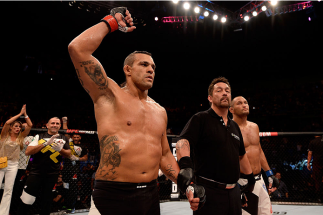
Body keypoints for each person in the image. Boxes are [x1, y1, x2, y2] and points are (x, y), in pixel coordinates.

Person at [68, 7, 204, 214]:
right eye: (144, 64)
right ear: (128, 70)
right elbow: (77, 48)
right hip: (112, 194)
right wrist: (111, 22)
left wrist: (188, 186)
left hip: (149, 194)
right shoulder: (109, 95)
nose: (151, 69)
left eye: (153, 67)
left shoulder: (159, 111)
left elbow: (165, 155)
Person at [176, 77, 255, 215]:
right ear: (210, 98)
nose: (224, 93)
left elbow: (241, 156)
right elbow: (183, 141)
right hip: (208, 191)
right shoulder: (201, 119)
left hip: (234, 192)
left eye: (227, 91)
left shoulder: (234, 126)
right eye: (219, 90)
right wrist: (185, 166)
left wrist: (250, 179)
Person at [230, 96, 278, 215]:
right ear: (231, 109)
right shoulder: (229, 129)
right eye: (239, 103)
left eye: (245, 102)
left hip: (259, 179)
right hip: (242, 181)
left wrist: (269, 174)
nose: (244, 105)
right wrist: (235, 188)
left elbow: (259, 151)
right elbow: (227, 159)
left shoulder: (254, 126)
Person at [17, 117, 71, 215]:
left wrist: (60, 150)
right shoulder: (39, 136)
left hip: (52, 174)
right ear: (47, 125)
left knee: (47, 200)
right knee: (27, 199)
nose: (55, 125)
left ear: (59, 126)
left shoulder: (64, 138)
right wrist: (45, 143)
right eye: (52, 123)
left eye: (57, 123)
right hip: (36, 173)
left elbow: (69, 154)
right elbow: (28, 151)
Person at [0, 104, 32, 215]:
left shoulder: (21, 137)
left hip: (14, 165)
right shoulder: (4, 135)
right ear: (11, 128)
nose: (18, 128)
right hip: (1, 163)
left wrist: (25, 114)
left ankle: (3, 213)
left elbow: (30, 125)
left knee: (8, 190)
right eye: (16, 126)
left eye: (19, 126)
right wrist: (19, 114)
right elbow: (7, 123)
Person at [62, 117, 88, 213]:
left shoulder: (83, 146)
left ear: (80, 138)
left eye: (78, 137)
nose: (76, 138)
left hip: (75, 169)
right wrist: (64, 122)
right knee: (65, 187)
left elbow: (85, 157)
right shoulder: (69, 142)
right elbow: (66, 131)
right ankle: (66, 204)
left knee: (73, 188)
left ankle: (71, 207)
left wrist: (78, 158)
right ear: (72, 138)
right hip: (66, 168)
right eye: (74, 137)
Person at [307, 134, 323, 202]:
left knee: (317, 180)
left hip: (317, 162)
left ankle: (318, 197)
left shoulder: (313, 142)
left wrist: (308, 163)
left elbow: (310, 153)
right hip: (319, 162)